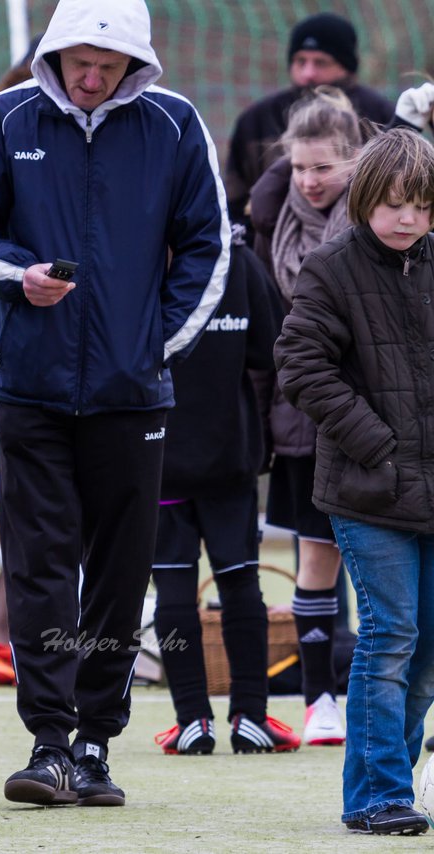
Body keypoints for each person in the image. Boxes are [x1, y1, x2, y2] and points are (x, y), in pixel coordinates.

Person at [0, 0, 230, 807]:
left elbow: (211, 245)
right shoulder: (4, 119)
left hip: (132, 397)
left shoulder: (175, 127)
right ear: (55, 52)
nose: (92, 75)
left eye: (109, 63)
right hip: (27, 394)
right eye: (79, 60)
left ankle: (97, 743)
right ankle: (49, 743)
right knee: (37, 571)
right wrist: (16, 276)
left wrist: (152, 342)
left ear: (136, 62)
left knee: (118, 574)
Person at [274, 128, 434, 837]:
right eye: (394, 204)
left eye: (421, 206)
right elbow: (301, 368)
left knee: (427, 648)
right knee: (391, 635)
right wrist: (380, 444)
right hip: (369, 490)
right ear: (367, 199)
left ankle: (389, 787)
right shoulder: (331, 267)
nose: (406, 219)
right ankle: (375, 796)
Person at [150, 224, 297, 756]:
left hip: (158, 453)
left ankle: (192, 721)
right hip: (228, 454)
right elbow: (270, 348)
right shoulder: (235, 258)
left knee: (172, 588)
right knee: (240, 585)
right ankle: (250, 716)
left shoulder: (129, 254)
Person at [249, 87, 365, 746]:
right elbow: (268, 339)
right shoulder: (270, 221)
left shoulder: (382, 217)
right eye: (299, 167)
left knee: (384, 560)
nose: (310, 180)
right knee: (315, 557)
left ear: (354, 161)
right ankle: (322, 699)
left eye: (324, 166)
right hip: (299, 419)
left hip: (370, 418)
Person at [224, 12, 392, 225]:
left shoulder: (379, 115)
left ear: (347, 65)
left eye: (321, 62)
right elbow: (234, 202)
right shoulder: (255, 120)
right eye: (300, 61)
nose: (308, 73)